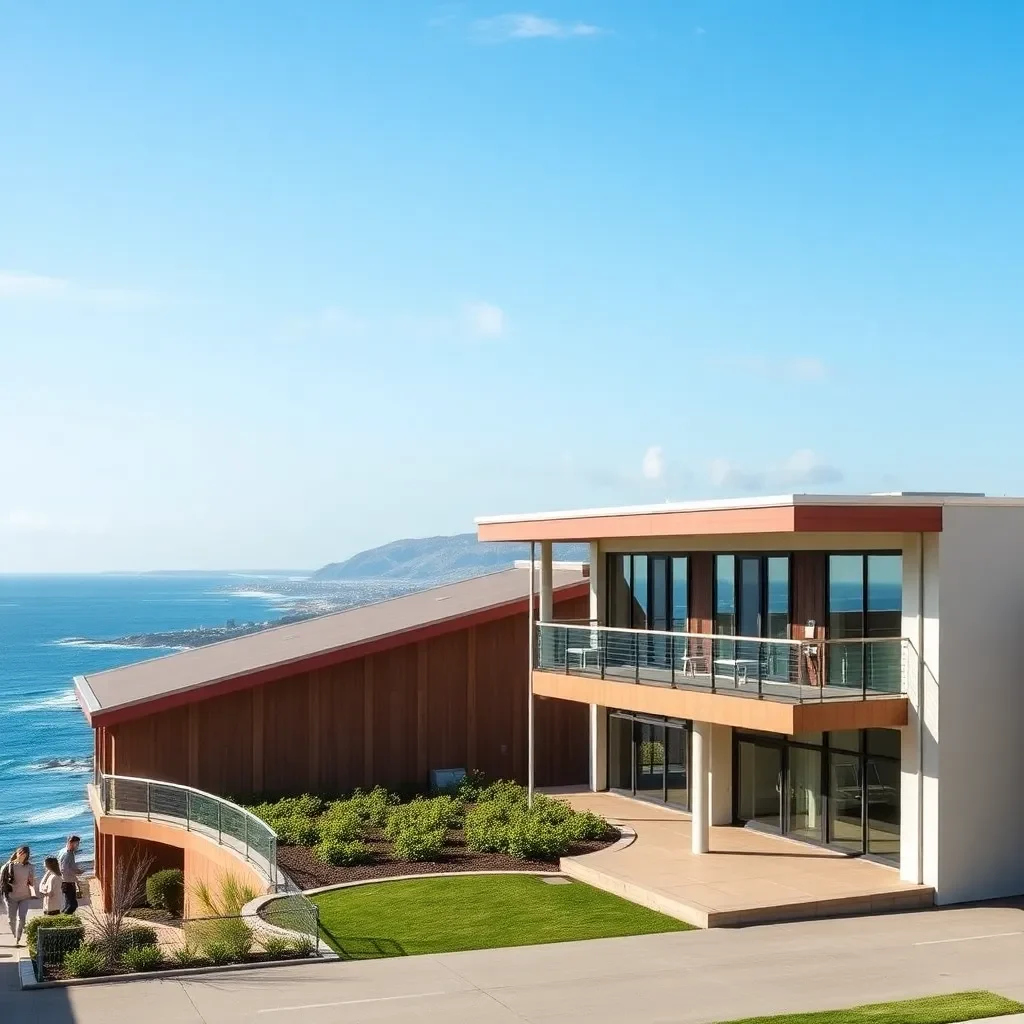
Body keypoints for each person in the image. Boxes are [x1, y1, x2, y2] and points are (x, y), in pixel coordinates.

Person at [1, 847, 37, 945]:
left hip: (24, 896)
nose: (22, 855)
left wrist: (33, 889)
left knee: (22, 918)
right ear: (17, 853)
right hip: (11, 897)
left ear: (27, 855)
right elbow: (2, 881)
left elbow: (32, 882)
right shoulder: (8, 866)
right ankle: (14, 934)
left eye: (24, 854)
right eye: (20, 853)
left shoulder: (30, 867)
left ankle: (18, 938)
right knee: (11, 919)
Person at [57, 834, 84, 915]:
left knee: (68, 903)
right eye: (77, 844)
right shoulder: (68, 854)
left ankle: (63, 917)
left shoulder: (63, 850)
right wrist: (77, 871)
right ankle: (64, 918)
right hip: (67, 881)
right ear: (71, 843)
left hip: (64, 880)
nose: (78, 846)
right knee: (72, 905)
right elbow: (64, 869)